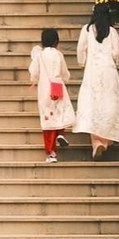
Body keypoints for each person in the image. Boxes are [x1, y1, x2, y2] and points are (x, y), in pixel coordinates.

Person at [74, 2, 119, 156]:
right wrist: (118, 63)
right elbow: (118, 52)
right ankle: (105, 140)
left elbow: (81, 49)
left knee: (93, 103)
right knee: (109, 104)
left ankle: (96, 142)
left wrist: (81, 62)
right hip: (108, 71)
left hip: (92, 71)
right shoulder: (112, 31)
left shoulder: (87, 29)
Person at [28, 28, 75, 162]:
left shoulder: (39, 55)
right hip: (57, 86)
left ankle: (51, 152)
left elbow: (34, 71)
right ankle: (61, 134)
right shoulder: (58, 54)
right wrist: (65, 79)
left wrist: (34, 81)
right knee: (59, 111)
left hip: (45, 88)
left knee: (48, 117)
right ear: (56, 41)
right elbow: (64, 72)